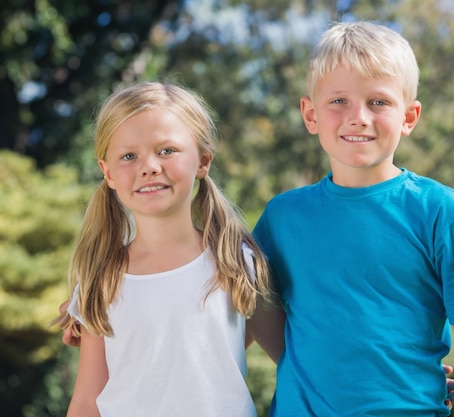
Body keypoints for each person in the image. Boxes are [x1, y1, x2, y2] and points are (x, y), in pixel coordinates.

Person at [252, 20, 454, 417]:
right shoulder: (281, 218)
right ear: (310, 114)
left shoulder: (443, 212)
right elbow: (250, 321)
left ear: (409, 117)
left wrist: (405, 377)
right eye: (338, 101)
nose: (358, 117)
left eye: (379, 102)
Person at [55, 81, 285, 417]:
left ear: (203, 160)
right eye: (129, 156)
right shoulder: (100, 277)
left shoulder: (236, 262)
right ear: (108, 172)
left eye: (167, 151)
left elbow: (292, 361)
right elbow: (88, 401)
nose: (149, 166)